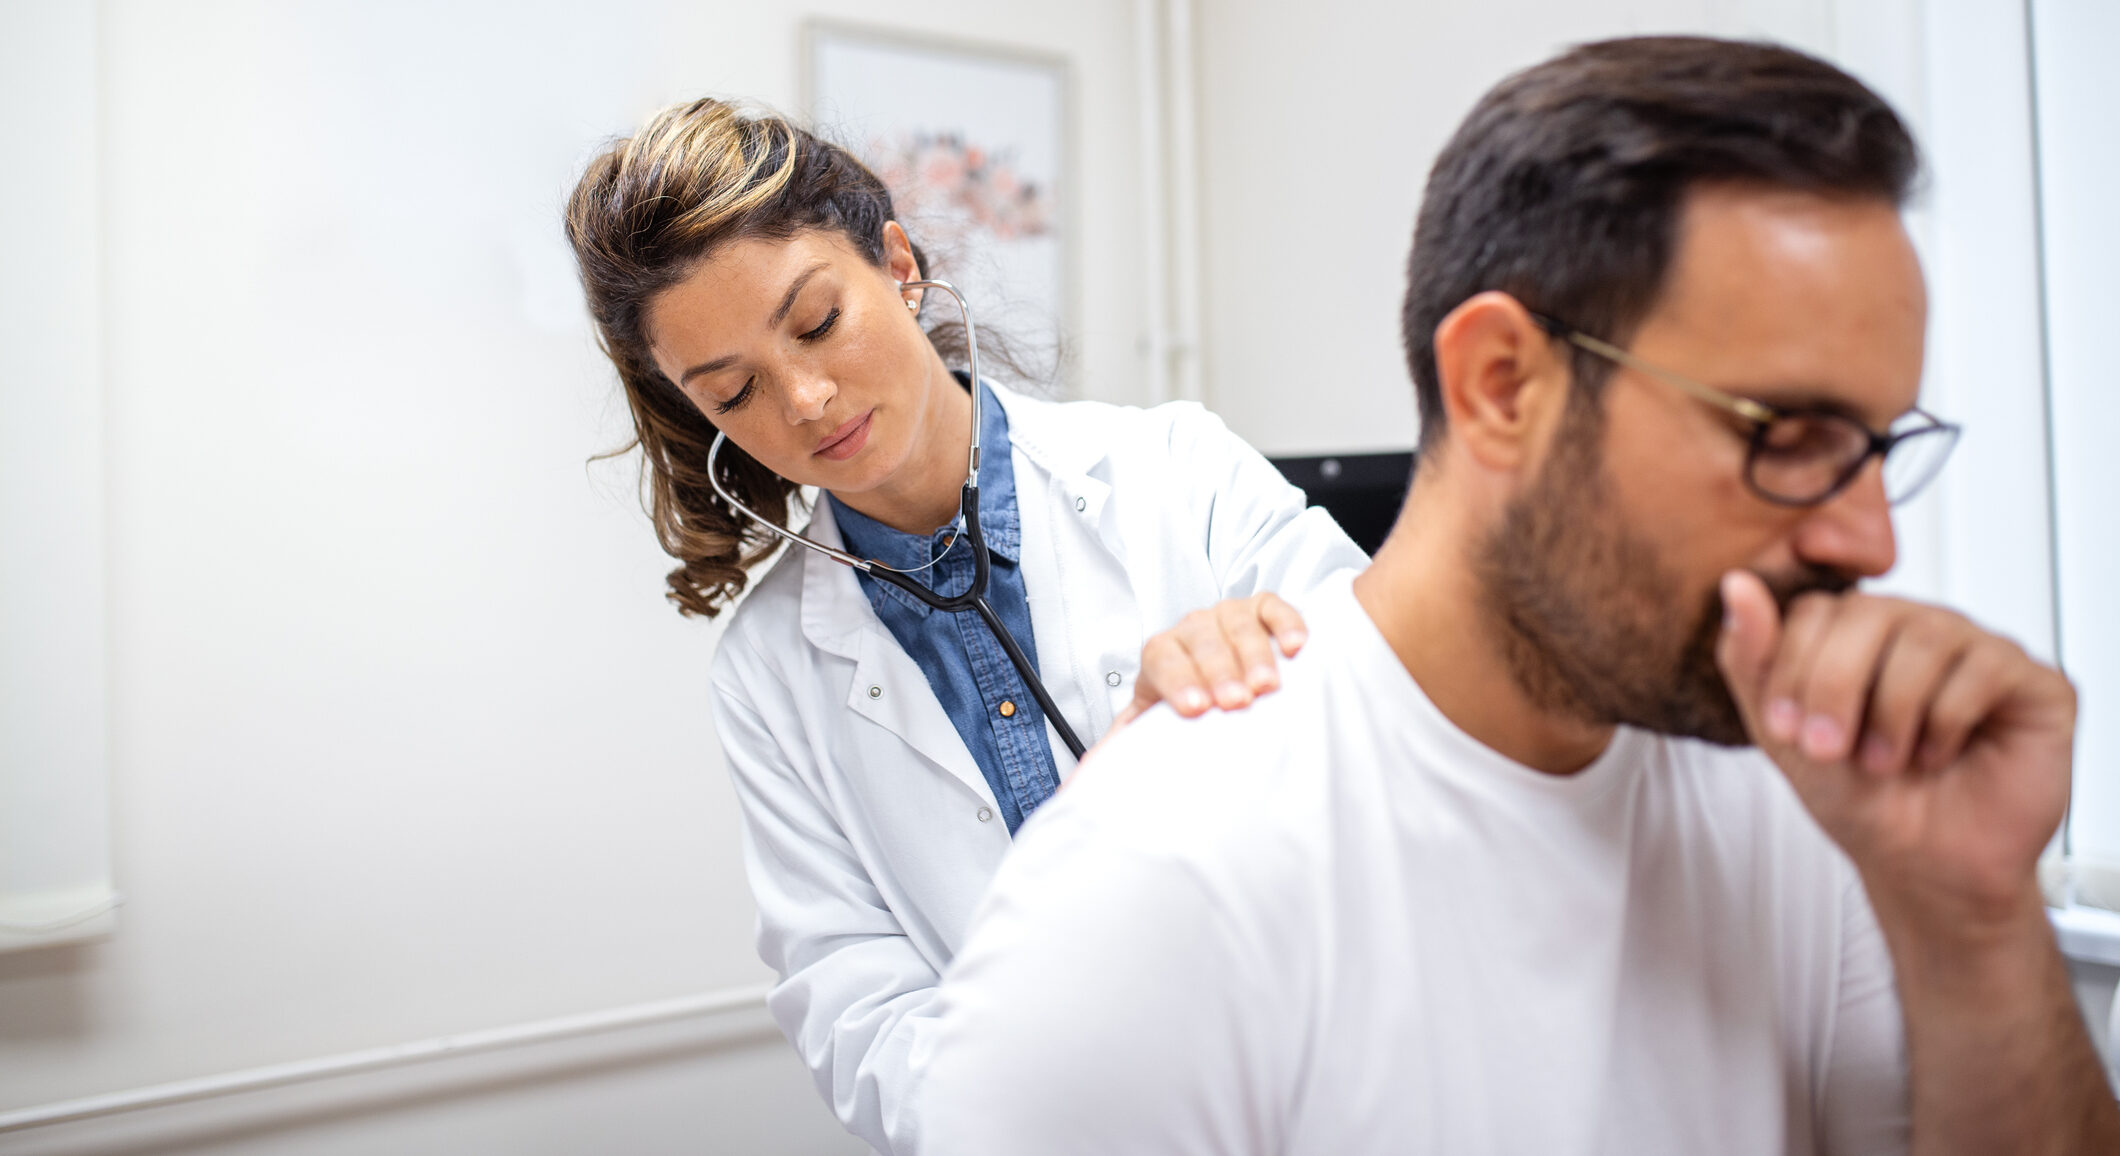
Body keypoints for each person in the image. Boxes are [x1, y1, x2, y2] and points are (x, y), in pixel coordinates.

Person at [921, 36, 2120, 1155]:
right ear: (1501, 385)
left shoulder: (1804, 784)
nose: (1868, 540)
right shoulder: (1150, 890)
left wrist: (1976, 921)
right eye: (1787, 433)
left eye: (1871, 444)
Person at [563, 98, 1367, 1154]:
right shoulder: (766, 673)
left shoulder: (1177, 475)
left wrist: (1258, 674)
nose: (802, 401)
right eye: (732, 392)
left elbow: (1394, 717)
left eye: (815, 323)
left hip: (1337, 1079)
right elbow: (851, 995)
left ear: (896, 262)